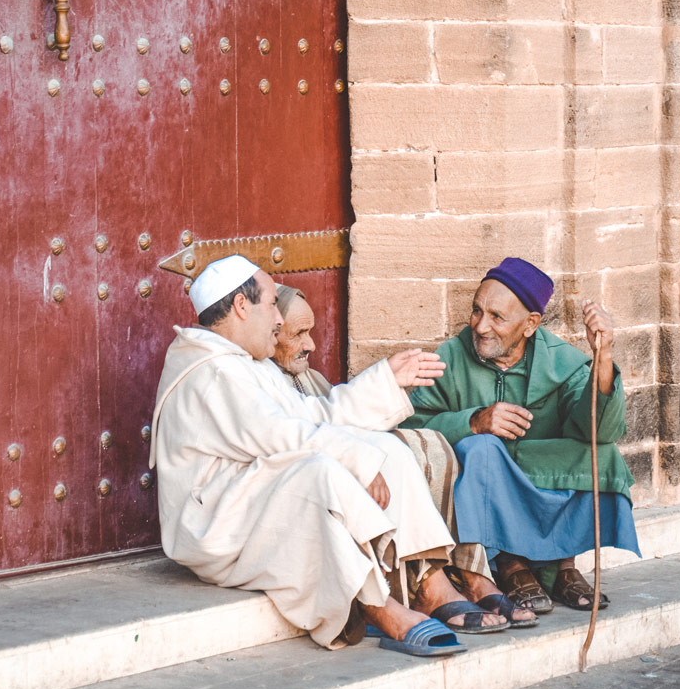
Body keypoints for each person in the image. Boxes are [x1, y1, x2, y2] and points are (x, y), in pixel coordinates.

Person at [150, 255, 508, 658]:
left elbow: (314, 415)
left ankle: (429, 583)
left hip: (249, 498)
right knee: (316, 471)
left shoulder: (248, 365)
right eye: (271, 304)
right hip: (218, 523)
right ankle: (377, 606)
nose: (278, 320)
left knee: (385, 448)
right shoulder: (212, 373)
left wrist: (385, 380)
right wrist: (353, 459)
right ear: (240, 306)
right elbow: (284, 437)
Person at [270, 283, 537, 629]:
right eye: (299, 334)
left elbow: (336, 413)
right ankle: (429, 587)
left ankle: (469, 575)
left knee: (432, 447)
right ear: (269, 331)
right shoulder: (254, 382)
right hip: (297, 492)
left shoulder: (310, 378)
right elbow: (299, 434)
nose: (312, 344)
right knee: (403, 451)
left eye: (311, 332)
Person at [400, 257, 641, 613]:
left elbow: (601, 429)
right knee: (481, 450)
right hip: (484, 480)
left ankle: (563, 566)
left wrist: (602, 356)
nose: (481, 326)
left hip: (538, 474)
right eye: (477, 311)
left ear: (530, 325)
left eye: (497, 317)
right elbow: (408, 428)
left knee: (602, 453)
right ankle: (509, 565)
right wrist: (473, 422)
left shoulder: (563, 361)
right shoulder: (451, 357)